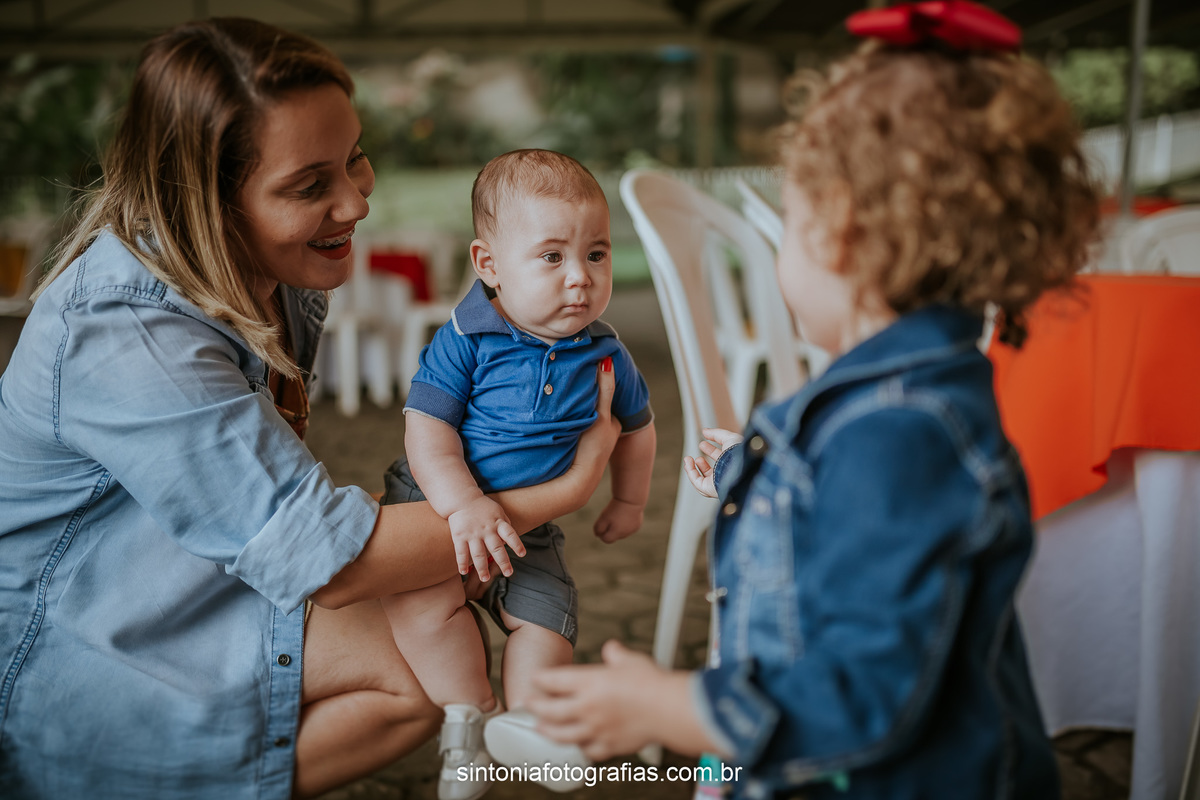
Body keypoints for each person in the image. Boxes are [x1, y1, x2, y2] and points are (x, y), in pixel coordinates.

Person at [0, 19, 620, 800]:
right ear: (206, 199)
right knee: (418, 650)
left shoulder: (269, 271)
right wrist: (565, 489)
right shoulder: (131, 334)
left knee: (434, 607)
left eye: (355, 156)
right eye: (308, 186)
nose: (357, 200)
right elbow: (334, 565)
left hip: (183, 575)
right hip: (73, 640)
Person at [526, 2, 1101, 798]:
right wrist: (754, 477)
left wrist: (672, 707)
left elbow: (864, 692)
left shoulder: (899, 434)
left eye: (790, 223)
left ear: (843, 235)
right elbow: (841, 520)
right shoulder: (896, 404)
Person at [380, 149, 657, 799]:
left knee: (548, 619)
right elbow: (427, 427)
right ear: (490, 266)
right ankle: (471, 719)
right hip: (438, 506)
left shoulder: (606, 353)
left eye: (596, 254)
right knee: (422, 609)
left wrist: (630, 501)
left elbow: (637, 431)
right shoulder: (467, 336)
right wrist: (463, 505)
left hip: (531, 533)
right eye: (552, 257)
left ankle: (530, 722)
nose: (581, 277)